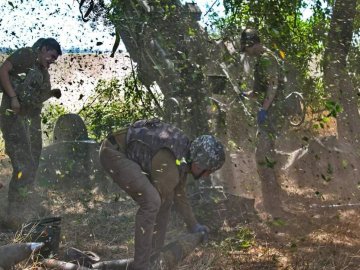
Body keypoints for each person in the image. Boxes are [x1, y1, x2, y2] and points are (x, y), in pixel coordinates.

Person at [99, 118, 225, 270]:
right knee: (152, 202)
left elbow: (178, 194)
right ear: (199, 165)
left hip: (120, 150)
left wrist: (194, 225)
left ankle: (153, 257)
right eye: (209, 171)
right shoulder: (171, 161)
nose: (207, 175)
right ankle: (142, 265)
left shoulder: (184, 153)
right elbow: (163, 198)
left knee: (166, 200)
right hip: (114, 152)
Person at [0, 38, 62, 227]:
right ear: (43, 49)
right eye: (51, 56)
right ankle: (13, 215)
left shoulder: (43, 72)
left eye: (55, 59)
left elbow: (39, 95)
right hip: (13, 116)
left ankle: (25, 206)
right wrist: (13, 98)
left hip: (30, 119)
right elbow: (3, 70)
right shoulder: (27, 54)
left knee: (33, 161)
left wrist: (52, 93)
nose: (52, 61)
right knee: (24, 164)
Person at [240, 28, 286, 218]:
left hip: (271, 116)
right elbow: (261, 90)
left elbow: (273, 86)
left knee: (263, 157)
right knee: (265, 157)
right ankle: (272, 203)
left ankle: (273, 205)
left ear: (251, 44)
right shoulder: (263, 59)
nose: (247, 53)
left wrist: (264, 109)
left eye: (247, 49)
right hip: (269, 115)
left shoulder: (266, 59)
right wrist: (245, 94)